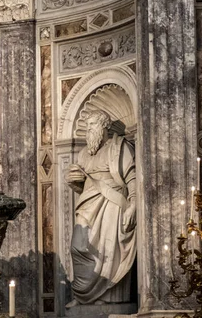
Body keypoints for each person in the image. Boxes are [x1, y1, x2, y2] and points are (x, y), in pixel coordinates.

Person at [65, 110, 137, 306]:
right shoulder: (82, 154)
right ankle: (83, 296)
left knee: (105, 251)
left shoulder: (118, 148)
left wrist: (133, 204)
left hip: (112, 204)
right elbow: (81, 185)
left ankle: (106, 297)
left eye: (92, 125)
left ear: (104, 126)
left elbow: (132, 178)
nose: (88, 130)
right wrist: (73, 181)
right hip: (88, 205)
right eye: (87, 126)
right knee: (78, 246)